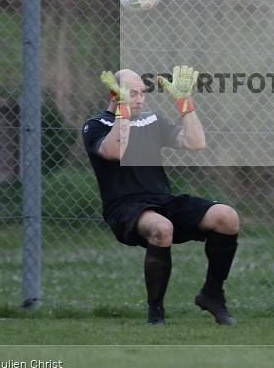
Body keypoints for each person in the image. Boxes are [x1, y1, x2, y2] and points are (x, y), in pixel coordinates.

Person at [82, 66, 240, 325]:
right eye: (132, 94)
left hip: (162, 200)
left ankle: (212, 295)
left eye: (142, 93)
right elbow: (115, 152)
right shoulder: (96, 125)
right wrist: (123, 111)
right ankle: (156, 313)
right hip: (124, 207)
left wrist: (184, 102)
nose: (140, 99)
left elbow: (195, 142)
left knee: (227, 217)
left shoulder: (152, 120)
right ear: (114, 94)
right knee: (162, 228)